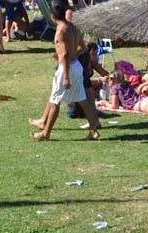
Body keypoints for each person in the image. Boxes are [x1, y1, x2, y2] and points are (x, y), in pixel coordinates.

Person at [29, 13, 100, 141]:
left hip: (66, 68)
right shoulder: (74, 28)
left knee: (55, 100)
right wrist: (72, 55)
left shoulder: (61, 31)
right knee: (82, 99)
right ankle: (94, 131)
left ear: (53, 16)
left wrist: (66, 76)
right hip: (76, 66)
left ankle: (45, 133)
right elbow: (83, 48)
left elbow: (65, 54)